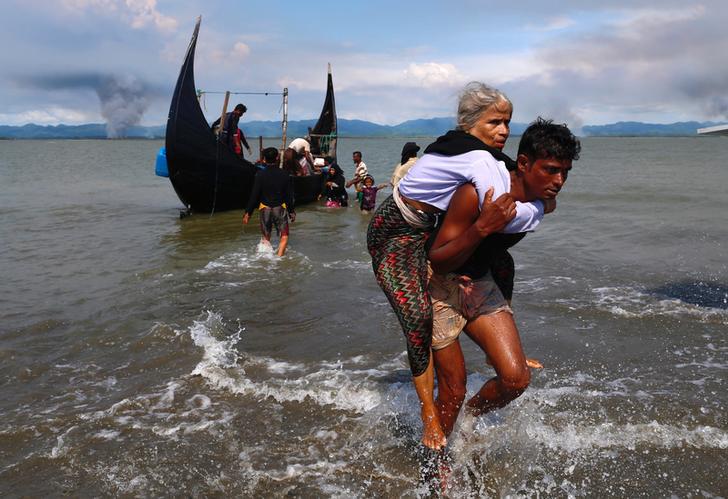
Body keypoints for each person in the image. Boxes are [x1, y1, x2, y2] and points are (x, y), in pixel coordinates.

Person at [366, 82, 547, 450]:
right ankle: (429, 416)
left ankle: (501, 345)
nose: (504, 131)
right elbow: (501, 214)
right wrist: (539, 209)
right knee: (417, 318)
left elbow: (513, 179)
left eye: (508, 123)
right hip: (395, 232)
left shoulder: (468, 148)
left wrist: (540, 191)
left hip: (422, 230)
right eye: (495, 122)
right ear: (471, 122)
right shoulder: (477, 158)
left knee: (502, 262)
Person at [428, 118, 580, 439]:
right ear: (523, 163)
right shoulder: (477, 193)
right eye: (551, 169)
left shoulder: (541, 200)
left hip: (478, 279)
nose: (559, 180)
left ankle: (469, 418)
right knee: (453, 389)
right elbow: (437, 258)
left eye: (565, 172)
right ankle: (434, 467)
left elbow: (545, 206)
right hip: (435, 283)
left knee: (515, 379)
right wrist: (483, 226)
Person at [243, 147, 296, 256]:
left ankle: (266, 260)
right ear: (277, 158)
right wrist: (291, 212)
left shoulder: (260, 175)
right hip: (279, 208)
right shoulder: (284, 175)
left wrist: (248, 213)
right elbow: (288, 196)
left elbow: (254, 195)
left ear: (264, 160)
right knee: (284, 236)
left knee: (266, 237)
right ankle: (278, 258)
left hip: (264, 208)